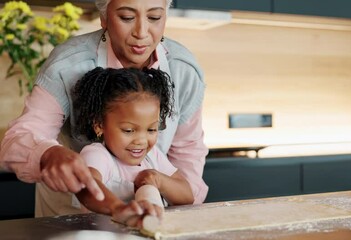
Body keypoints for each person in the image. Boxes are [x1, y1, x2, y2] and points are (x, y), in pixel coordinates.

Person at [0, 0, 208, 217]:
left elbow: (188, 155)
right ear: (104, 18)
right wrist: (48, 153)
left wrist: (176, 211)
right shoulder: (69, 66)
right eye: (127, 17)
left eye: (154, 17)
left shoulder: (183, 70)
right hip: (69, 220)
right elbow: (21, 137)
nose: (141, 32)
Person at [72, 67, 193, 226]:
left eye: (151, 129)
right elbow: (86, 187)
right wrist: (119, 208)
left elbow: (187, 196)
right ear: (99, 125)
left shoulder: (153, 156)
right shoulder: (97, 155)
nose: (141, 141)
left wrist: (158, 180)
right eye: (128, 130)